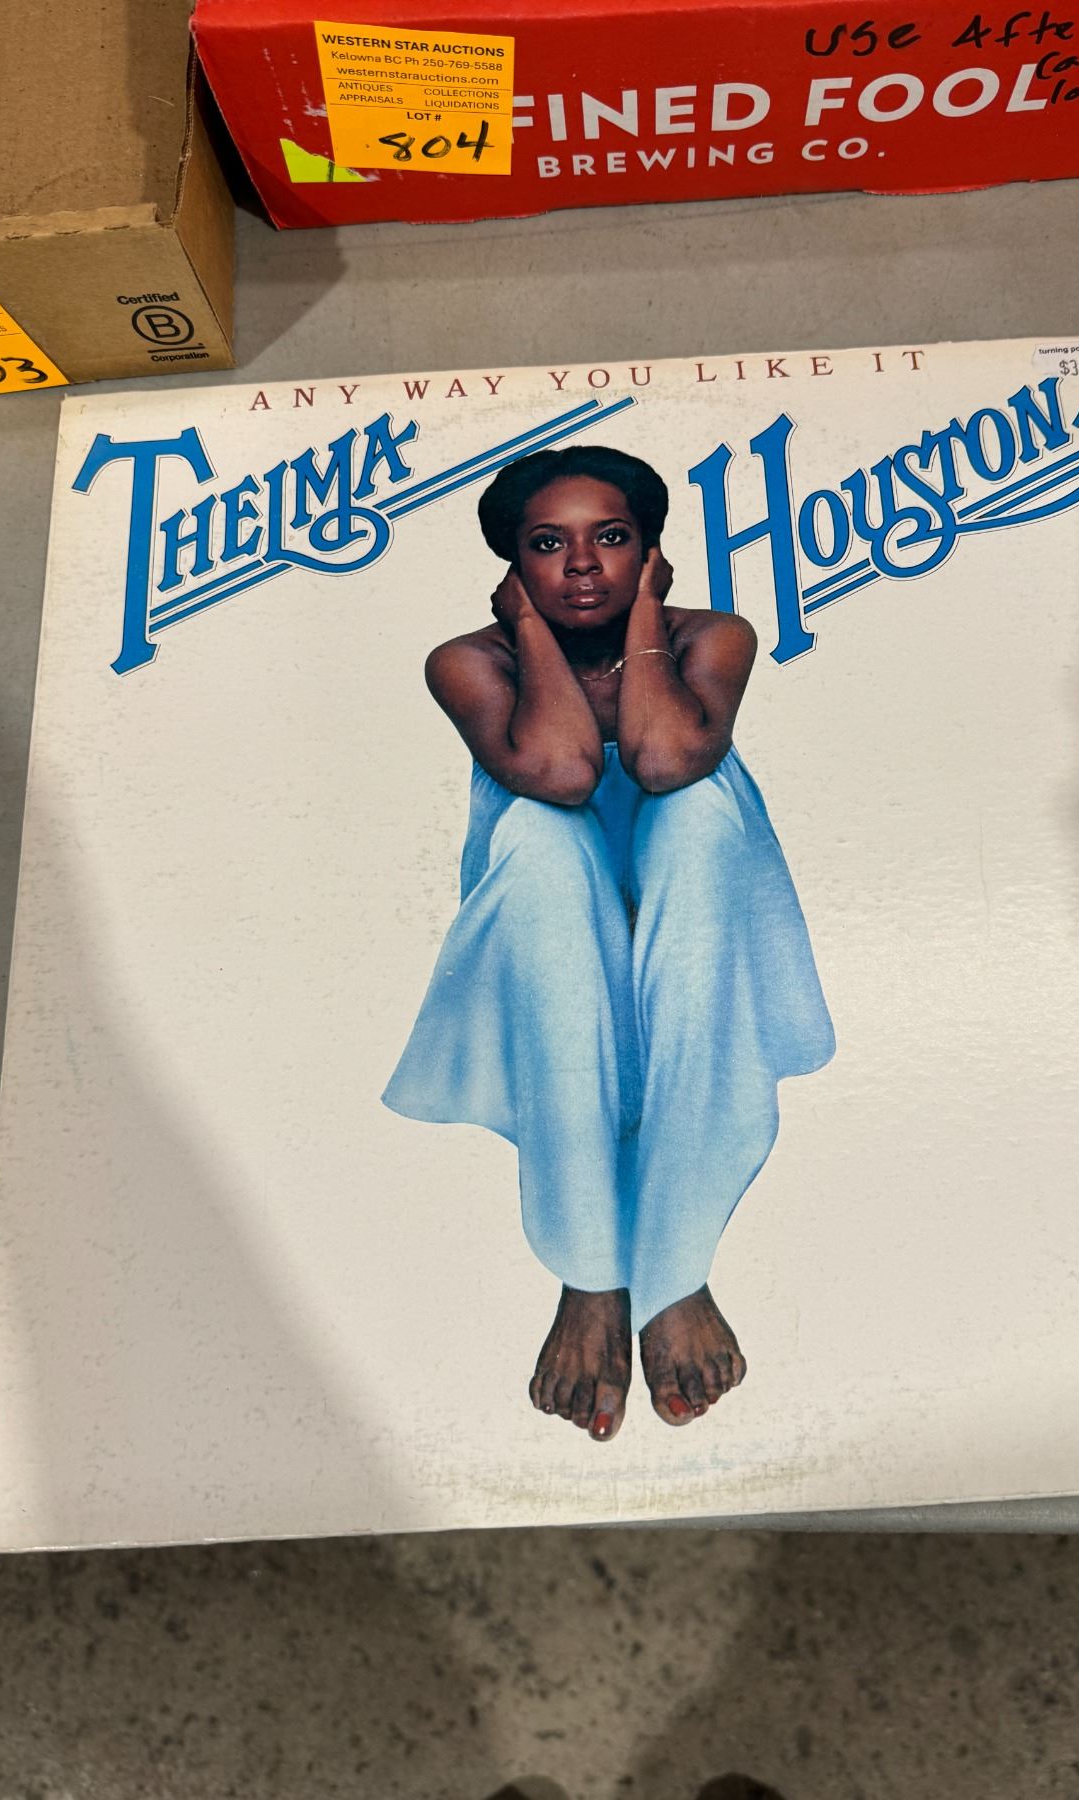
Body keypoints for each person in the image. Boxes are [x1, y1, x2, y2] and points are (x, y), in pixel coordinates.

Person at [383, 444, 834, 1442]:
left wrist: (643, 621)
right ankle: (592, 1273)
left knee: (698, 818)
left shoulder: (713, 634)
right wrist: (530, 632)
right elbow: (563, 772)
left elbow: (666, 760)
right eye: (549, 545)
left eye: (613, 538)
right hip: (549, 919)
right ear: (513, 566)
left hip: (700, 912)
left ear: (651, 551)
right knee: (541, 842)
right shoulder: (470, 660)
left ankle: (673, 1271)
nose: (584, 565)